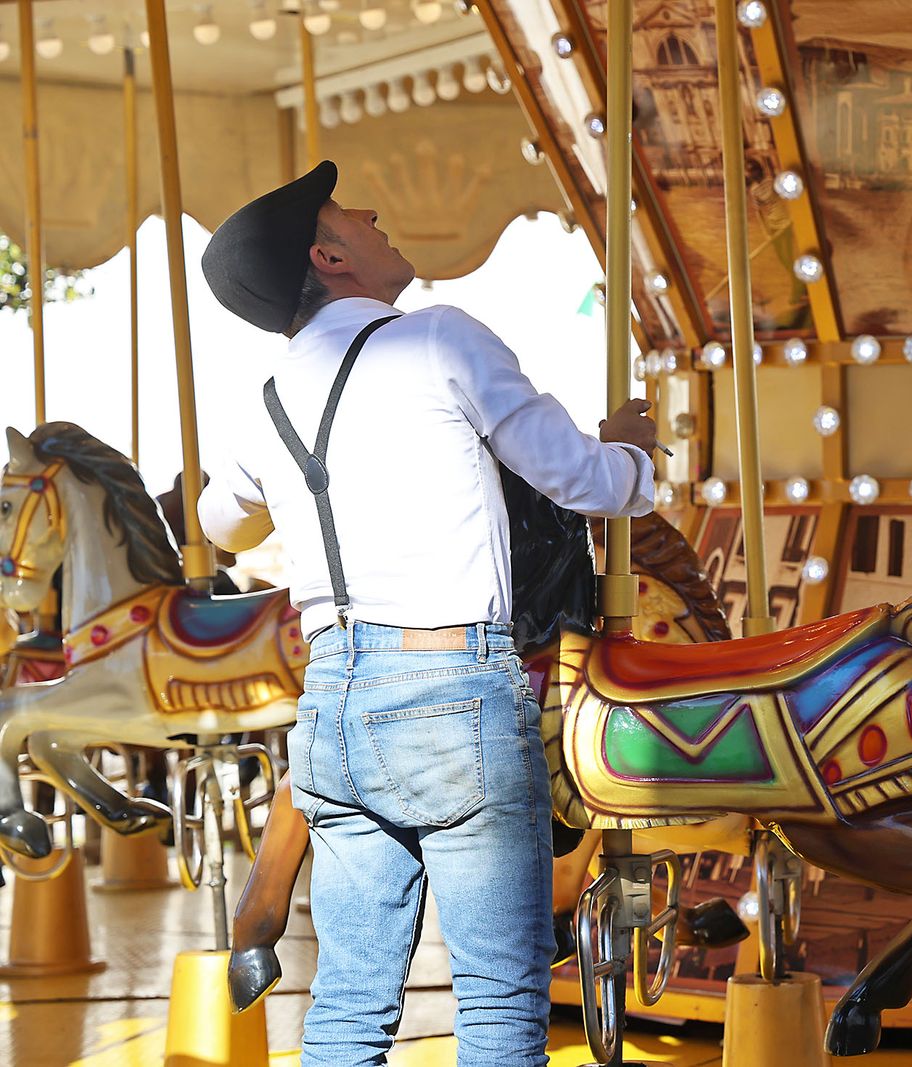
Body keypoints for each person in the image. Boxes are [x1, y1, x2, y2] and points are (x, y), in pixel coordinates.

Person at [196, 160, 656, 1067]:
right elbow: (582, 480)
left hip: (331, 704)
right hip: (452, 690)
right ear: (330, 256)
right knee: (499, 999)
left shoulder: (270, 399)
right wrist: (633, 454)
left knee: (348, 1003)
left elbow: (221, 522)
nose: (372, 212)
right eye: (347, 212)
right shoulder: (441, 340)